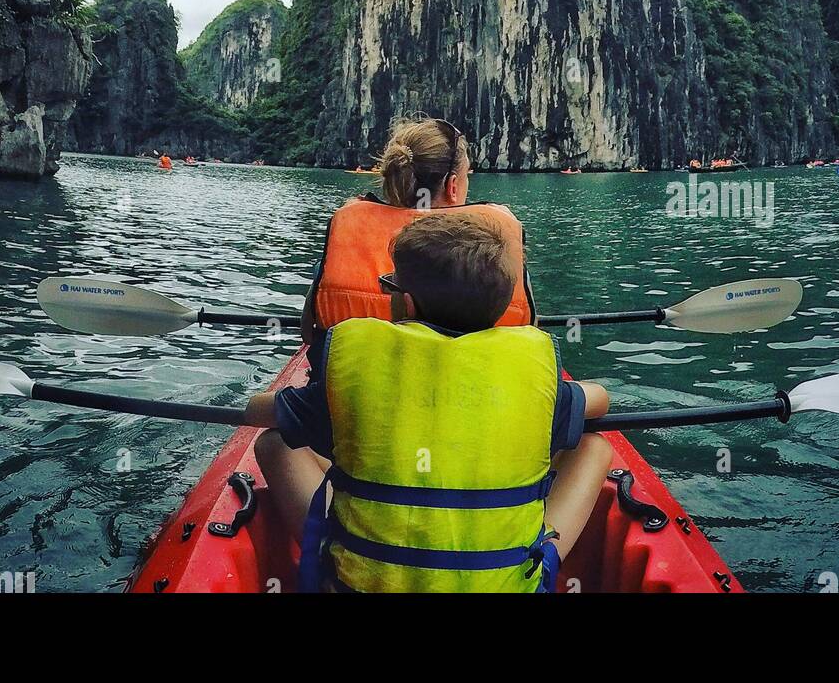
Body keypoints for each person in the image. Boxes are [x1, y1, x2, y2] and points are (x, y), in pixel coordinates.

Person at [247, 212, 612, 593]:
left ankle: (334, 549)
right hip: (504, 587)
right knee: (593, 445)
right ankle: (544, 555)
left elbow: (259, 413)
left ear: (406, 304)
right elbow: (602, 400)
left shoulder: (360, 362)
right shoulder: (531, 372)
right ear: (502, 308)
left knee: (275, 442)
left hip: (361, 586)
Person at [299, 118, 534, 346]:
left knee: (322, 269)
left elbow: (309, 334)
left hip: (348, 371)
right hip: (480, 376)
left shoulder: (347, 228)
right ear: (452, 186)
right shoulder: (495, 248)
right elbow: (530, 326)